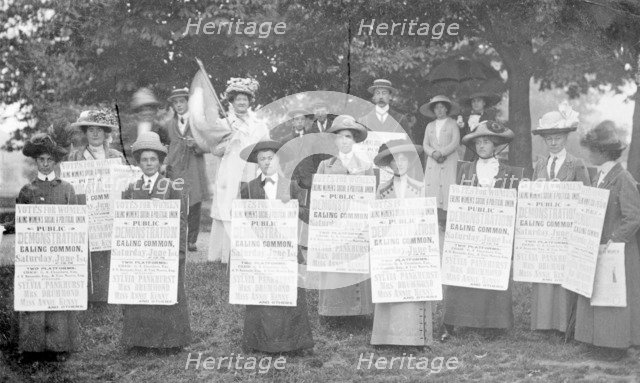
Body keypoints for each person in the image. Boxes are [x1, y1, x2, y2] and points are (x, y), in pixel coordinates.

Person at [442, 120, 520, 341]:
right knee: (464, 273)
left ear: (495, 145)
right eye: (478, 143)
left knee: (492, 271)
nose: (482, 146)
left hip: (495, 233)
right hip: (470, 231)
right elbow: (457, 202)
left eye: (486, 142)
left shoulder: (507, 173)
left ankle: (493, 323)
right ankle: (457, 320)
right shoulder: (465, 169)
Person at [237, 140, 315, 354]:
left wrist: (292, 210)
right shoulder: (249, 188)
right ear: (257, 163)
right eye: (262, 159)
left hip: (287, 251)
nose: (266, 162)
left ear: (278, 160)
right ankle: (258, 341)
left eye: (270, 157)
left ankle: (293, 342)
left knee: (290, 296)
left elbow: (306, 216)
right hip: (260, 253)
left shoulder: (291, 185)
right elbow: (242, 220)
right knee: (261, 297)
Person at [120, 131, 191, 350]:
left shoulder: (170, 187)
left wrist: (179, 251)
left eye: (153, 159)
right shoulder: (131, 189)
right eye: (144, 160)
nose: (149, 163)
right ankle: (140, 341)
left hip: (165, 253)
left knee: (169, 295)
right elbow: (125, 225)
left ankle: (170, 342)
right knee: (140, 294)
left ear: (160, 161)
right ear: (139, 163)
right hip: (140, 253)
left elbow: (181, 221)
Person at [574, 120, 640, 349]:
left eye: (592, 149)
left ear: (603, 152)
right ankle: (599, 339)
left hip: (618, 250)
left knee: (614, 296)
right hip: (599, 245)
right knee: (600, 293)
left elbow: (633, 217)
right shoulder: (600, 176)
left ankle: (616, 344)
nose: (589, 153)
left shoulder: (623, 178)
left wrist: (615, 239)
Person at [191, 78, 269, 264]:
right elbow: (214, 149)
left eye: (245, 99)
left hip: (251, 172)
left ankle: (246, 256)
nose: (241, 102)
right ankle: (223, 256)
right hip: (229, 173)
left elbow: (267, 149)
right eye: (237, 99)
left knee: (246, 211)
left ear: (250, 102)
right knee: (226, 212)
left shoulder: (259, 125)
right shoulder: (223, 124)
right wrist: (229, 140)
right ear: (231, 102)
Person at [529, 102, 590, 334]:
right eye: (549, 139)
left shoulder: (576, 164)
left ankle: (564, 324)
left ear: (566, 138)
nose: (553, 143)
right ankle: (543, 323)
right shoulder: (541, 163)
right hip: (544, 228)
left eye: (558, 138)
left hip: (567, 229)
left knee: (563, 275)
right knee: (544, 274)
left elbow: (586, 195)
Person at [16, 133, 79, 359]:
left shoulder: (67, 189)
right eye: (40, 160)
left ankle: (59, 346)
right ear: (36, 162)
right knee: (34, 297)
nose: (44, 164)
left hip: (60, 254)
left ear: (55, 162)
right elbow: (20, 225)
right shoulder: (27, 191)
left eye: (49, 160)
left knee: (58, 298)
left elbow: (76, 225)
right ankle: (32, 348)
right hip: (35, 255)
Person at [369, 139, 433, 347]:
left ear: (410, 161)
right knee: (391, 288)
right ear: (389, 164)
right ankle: (387, 337)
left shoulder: (420, 188)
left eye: (403, 159)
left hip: (413, 246)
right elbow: (378, 221)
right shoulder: (382, 189)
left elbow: (426, 220)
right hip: (391, 247)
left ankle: (413, 337)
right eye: (395, 160)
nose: (399, 164)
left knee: (412, 292)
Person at [315, 115, 375, 321]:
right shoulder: (325, 165)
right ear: (335, 140)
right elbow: (319, 199)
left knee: (357, 264)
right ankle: (333, 312)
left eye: (348, 136)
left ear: (355, 139)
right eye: (340, 137)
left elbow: (371, 198)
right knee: (334, 269)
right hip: (334, 228)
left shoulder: (365, 167)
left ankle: (359, 312)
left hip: (357, 227)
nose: (344, 141)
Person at [66, 109, 125, 303]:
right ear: (85, 132)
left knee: (108, 254)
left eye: (99, 129)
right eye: (90, 129)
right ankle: (90, 296)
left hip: (109, 214)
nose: (95, 134)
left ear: (106, 133)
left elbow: (124, 186)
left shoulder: (116, 156)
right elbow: (70, 186)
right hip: (86, 213)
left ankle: (109, 294)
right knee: (89, 254)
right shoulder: (75, 157)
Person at [164, 87, 209, 252]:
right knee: (177, 202)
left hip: (194, 166)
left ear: (187, 103)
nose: (178, 105)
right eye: (175, 103)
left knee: (195, 202)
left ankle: (191, 240)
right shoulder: (170, 124)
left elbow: (207, 145)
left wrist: (195, 145)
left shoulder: (197, 123)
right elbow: (170, 146)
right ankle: (179, 237)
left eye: (181, 101)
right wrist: (166, 162)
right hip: (177, 167)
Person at [420, 95, 460, 228]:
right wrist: (433, 153)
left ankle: (447, 219)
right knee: (433, 187)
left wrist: (442, 152)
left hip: (448, 160)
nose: (439, 110)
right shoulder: (429, 125)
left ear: (447, 109)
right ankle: (433, 218)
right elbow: (425, 144)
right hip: (433, 161)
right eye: (436, 108)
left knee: (447, 187)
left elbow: (455, 142)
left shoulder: (453, 124)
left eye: (442, 107)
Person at [457, 92, 500, 162]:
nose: (475, 103)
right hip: (469, 154)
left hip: (485, 154)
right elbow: (462, 140)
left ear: (484, 103)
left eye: (478, 101)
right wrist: (461, 127)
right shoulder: (466, 119)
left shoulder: (490, 118)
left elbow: (495, 137)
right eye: (473, 101)